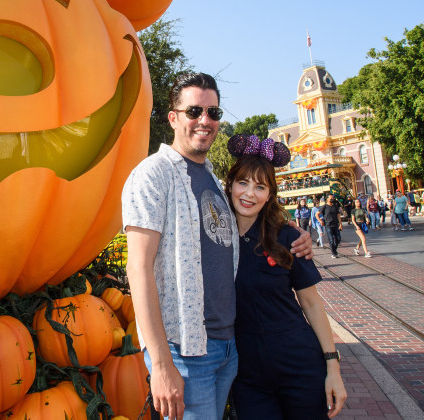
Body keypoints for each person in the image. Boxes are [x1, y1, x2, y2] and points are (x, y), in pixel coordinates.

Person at [122, 72, 313, 420]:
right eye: (194, 111)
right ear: (173, 117)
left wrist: (292, 230)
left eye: (214, 112)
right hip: (185, 351)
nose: (204, 121)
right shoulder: (154, 174)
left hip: (228, 348)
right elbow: (137, 268)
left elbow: (246, 219)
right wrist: (162, 364)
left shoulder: (210, 177)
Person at [225, 136, 346, 418]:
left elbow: (312, 305)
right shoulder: (216, 239)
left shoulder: (288, 237)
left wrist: (333, 367)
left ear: (270, 194)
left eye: (260, 186)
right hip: (248, 375)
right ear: (230, 185)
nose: (250, 193)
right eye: (243, 182)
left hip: (299, 364)